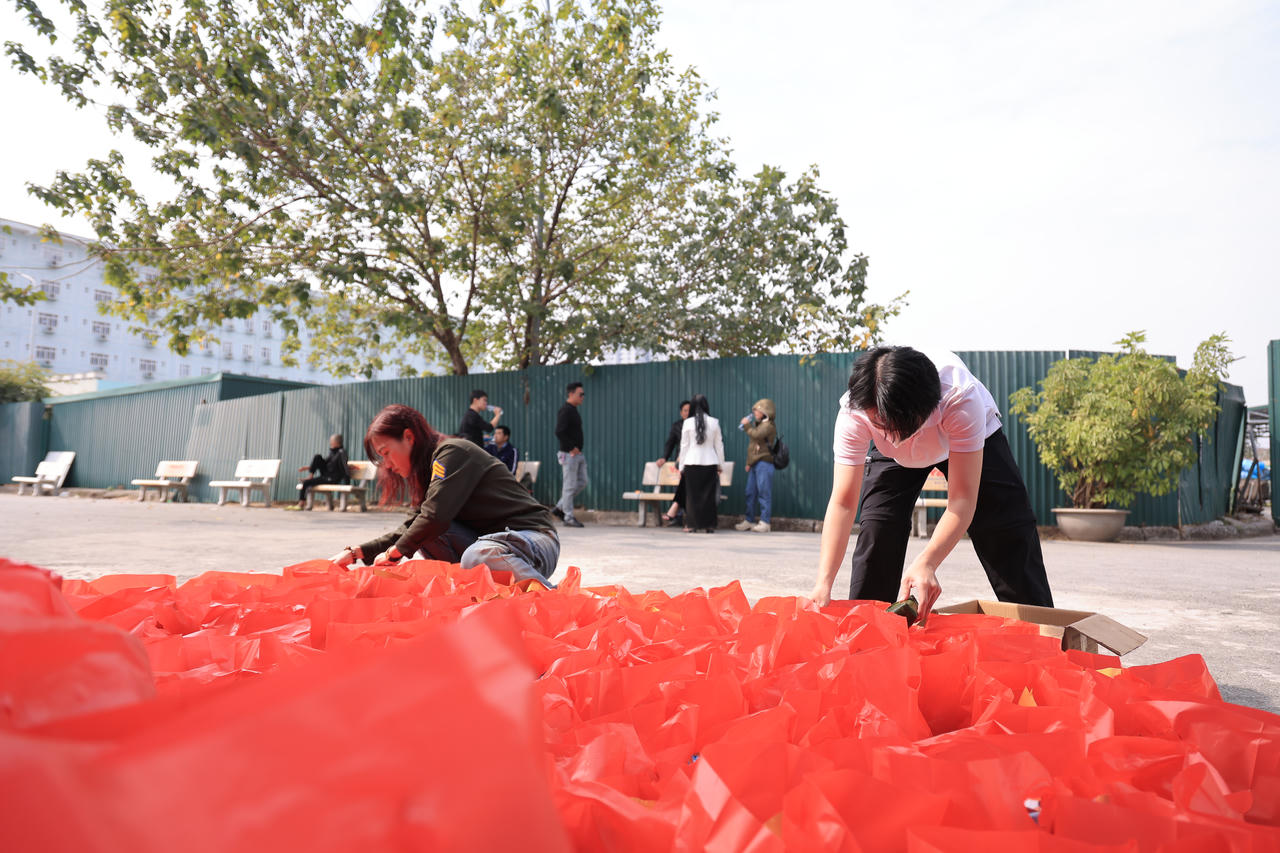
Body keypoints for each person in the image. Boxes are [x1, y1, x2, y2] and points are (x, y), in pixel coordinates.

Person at [809, 346, 1054, 623]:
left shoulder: (959, 398)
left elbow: (962, 500)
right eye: (880, 423)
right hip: (893, 452)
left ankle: (1044, 633)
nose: (894, 439)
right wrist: (823, 584)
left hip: (966, 440)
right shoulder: (856, 413)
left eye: (899, 429)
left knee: (1006, 529)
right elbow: (843, 502)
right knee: (878, 528)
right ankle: (869, 634)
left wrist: (927, 562)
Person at [326, 404, 558, 587]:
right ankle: (474, 595)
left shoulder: (452, 452)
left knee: (477, 555)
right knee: (426, 533)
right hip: (494, 546)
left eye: (386, 453)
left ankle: (551, 601)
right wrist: (356, 553)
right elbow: (412, 527)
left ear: (408, 437)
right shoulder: (428, 472)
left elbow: (434, 517)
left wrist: (393, 553)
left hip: (533, 540)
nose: (386, 464)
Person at [678, 394, 724, 533]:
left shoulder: (687, 423)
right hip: (710, 462)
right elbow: (719, 446)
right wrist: (720, 465)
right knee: (709, 496)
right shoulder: (714, 422)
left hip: (692, 462)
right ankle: (709, 525)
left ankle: (692, 525)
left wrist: (681, 467)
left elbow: (684, 446)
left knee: (692, 496)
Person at [735, 399, 777, 532]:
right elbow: (753, 447)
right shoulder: (759, 424)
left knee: (764, 493)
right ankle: (749, 520)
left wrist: (747, 426)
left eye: (757, 410)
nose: (754, 413)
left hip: (764, 463)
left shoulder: (768, 426)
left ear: (765, 411)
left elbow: (757, 435)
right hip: (755, 464)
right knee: (750, 492)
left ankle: (765, 522)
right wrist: (749, 463)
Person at [554, 382, 587, 528]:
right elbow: (559, 431)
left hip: (577, 454)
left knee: (582, 482)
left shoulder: (573, 410)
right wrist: (571, 448)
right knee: (569, 486)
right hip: (569, 455)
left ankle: (559, 507)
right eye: (581, 394)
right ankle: (568, 517)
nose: (583, 397)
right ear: (571, 394)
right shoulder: (565, 410)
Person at [656, 400, 691, 525]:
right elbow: (670, 443)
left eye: (690, 410)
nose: (688, 412)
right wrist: (664, 457)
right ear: (681, 413)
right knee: (678, 486)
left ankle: (685, 516)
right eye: (685, 410)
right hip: (680, 461)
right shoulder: (677, 426)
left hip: (693, 461)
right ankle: (679, 516)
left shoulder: (696, 425)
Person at [296, 434, 348, 507]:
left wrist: (347, 483)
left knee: (306, 483)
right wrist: (308, 468)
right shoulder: (332, 452)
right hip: (326, 475)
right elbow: (325, 462)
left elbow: (345, 467)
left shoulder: (342, 452)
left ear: (336, 442)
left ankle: (301, 503)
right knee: (317, 457)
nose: (330, 443)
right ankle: (311, 475)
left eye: (331, 441)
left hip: (332, 478)